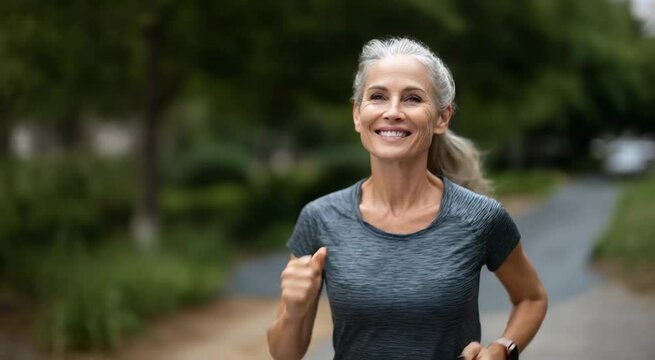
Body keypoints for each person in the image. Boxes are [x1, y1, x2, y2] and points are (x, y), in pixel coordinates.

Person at [267, 37, 547, 360]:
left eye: (412, 98)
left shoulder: (480, 218)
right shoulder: (320, 218)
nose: (393, 112)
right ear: (358, 115)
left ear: (442, 117)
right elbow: (285, 354)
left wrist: (502, 350)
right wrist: (294, 309)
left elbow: (532, 298)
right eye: (378, 97)